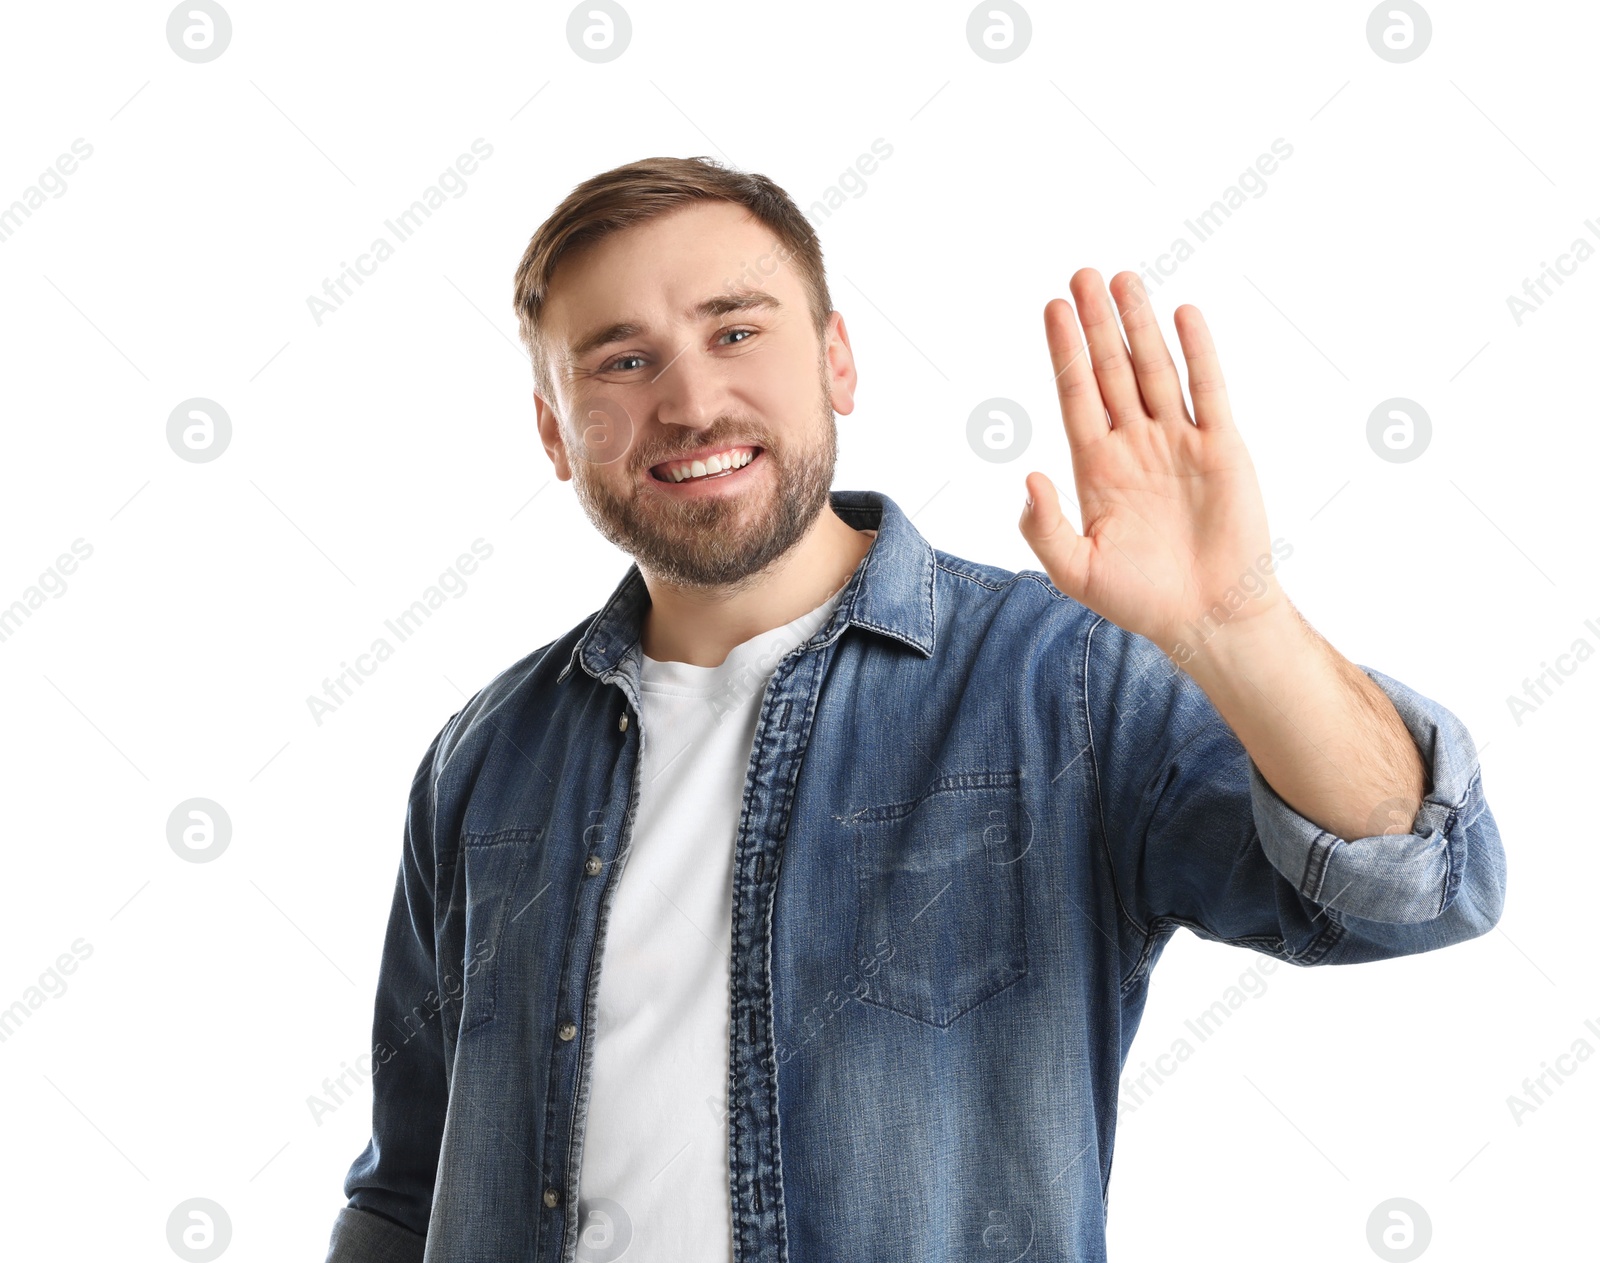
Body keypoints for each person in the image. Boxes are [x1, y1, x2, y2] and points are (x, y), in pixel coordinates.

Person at [322, 156, 1505, 1263]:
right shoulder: (487, 754)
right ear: (552, 429)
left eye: (736, 331)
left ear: (838, 359)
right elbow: (404, 1188)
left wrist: (1237, 628)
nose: (689, 401)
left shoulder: (1062, 678)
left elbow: (1412, 890)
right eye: (619, 362)